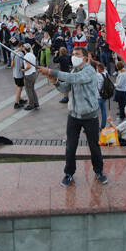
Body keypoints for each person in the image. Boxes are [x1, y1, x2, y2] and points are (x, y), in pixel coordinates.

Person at [38, 47, 107, 187]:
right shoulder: (73, 70)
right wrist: (55, 82)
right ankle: (69, 173)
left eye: (77, 54)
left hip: (90, 116)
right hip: (74, 116)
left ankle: (99, 171)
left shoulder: (89, 71)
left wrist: (52, 71)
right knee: (70, 147)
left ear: (85, 58)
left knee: (94, 146)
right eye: (73, 54)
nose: (74, 56)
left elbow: (75, 79)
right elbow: (65, 89)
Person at [21, 43, 39, 111]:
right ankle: (36, 103)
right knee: (32, 89)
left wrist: (23, 70)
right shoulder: (32, 55)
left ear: (25, 49)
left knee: (28, 90)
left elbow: (28, 66)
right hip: (33, 73)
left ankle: (31, 104)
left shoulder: (26, 56)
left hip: (28, 74)